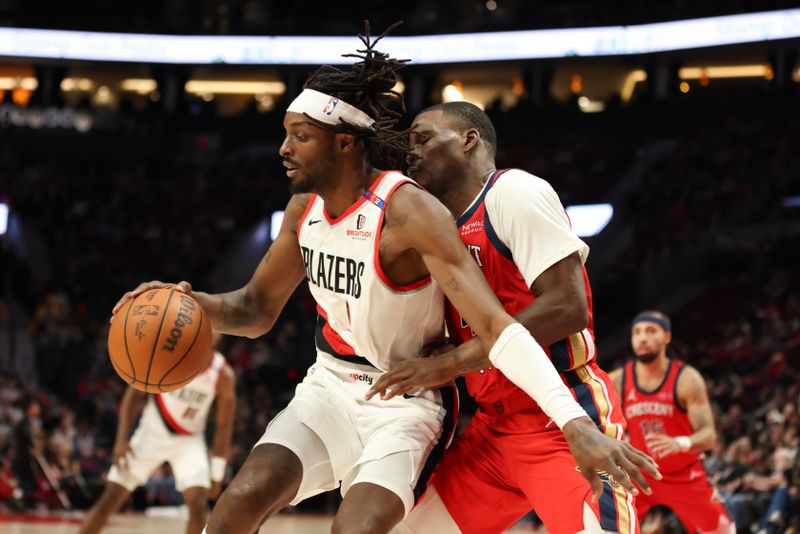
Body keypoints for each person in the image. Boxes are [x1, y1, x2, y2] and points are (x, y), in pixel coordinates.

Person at [114, 26, 656, 534]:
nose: (282, 150)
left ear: (344, 143)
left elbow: (521, 322)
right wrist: (183, 301)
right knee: (237, 502)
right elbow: (254, 309)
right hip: (358, 392)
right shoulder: (307, 208)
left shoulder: (434, 208)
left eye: (299, 136)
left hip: (432, 402)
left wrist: (570, 421)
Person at [367, 101, 654, 534]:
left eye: (422, 138)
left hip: (561, 412)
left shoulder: (513, 191)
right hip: (492, 429)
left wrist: (454, 361)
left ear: (469, 140)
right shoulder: (437, 227)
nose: (410, 151)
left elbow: (567, 306)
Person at [78, 336, 236, 534]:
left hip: (189, 440)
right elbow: (133, 393)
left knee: (198, 504)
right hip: (150, 434)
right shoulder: (169, 354)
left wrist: (217, 473)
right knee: (110, 499)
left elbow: (224, 425)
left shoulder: (223, 373)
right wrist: (121, 439)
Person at [608, 311, 734, 534]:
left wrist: (680, 443)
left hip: (683, 474)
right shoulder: (618, 379)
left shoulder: (686, 379)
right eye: (637, 333)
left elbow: (709, 437)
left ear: (666, 337)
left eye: (650, 331)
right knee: (607, 526)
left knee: (723, 530)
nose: (642, 338)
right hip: (641, 472)